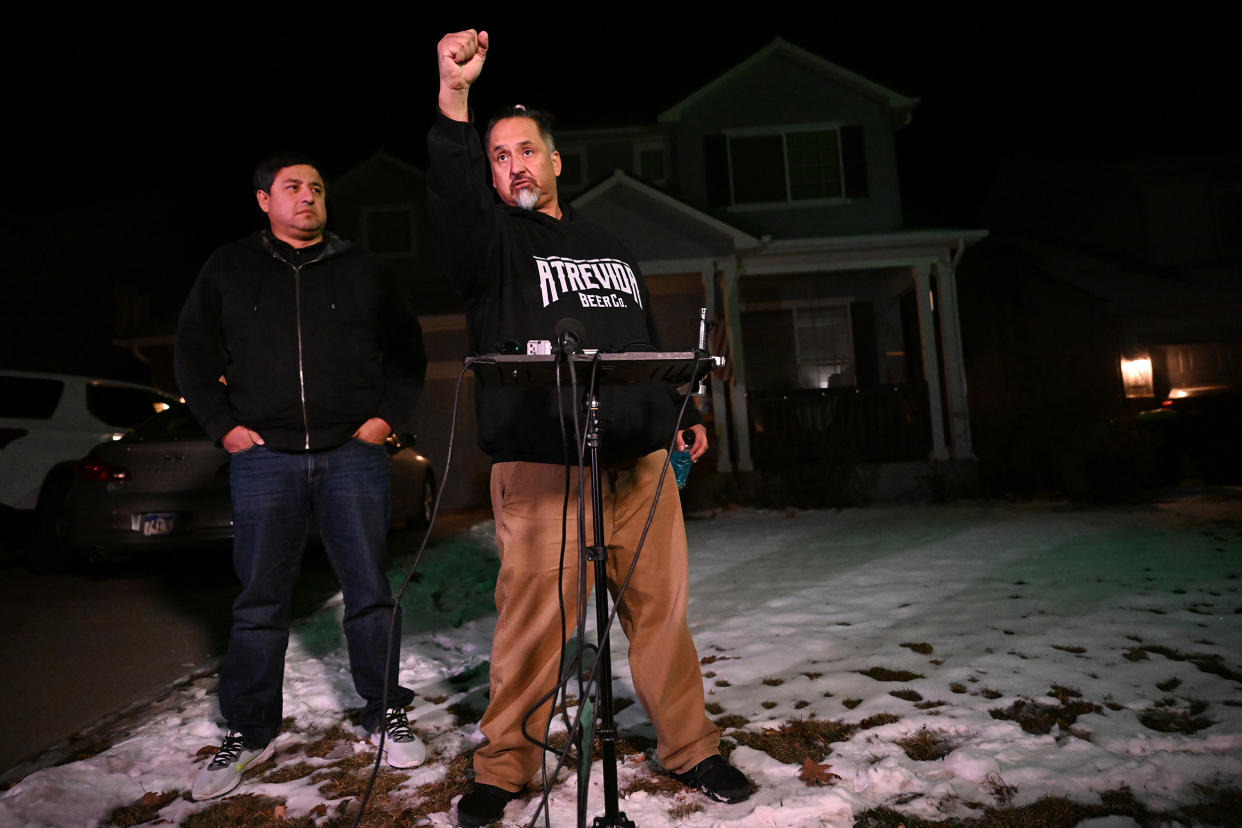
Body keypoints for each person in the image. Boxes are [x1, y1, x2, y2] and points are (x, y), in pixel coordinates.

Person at [428, 29, 750, 827]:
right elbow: (456, 199)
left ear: (557, 160)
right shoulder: (493, 245)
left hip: (637, 465)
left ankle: (691, 747)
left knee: (661, 619)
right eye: (499, 157)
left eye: (526, 151)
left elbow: (642, 344)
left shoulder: (609, 247)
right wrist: (454, 98)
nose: (513, 167)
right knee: (535, 629)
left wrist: (684, 413)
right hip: (544, 471)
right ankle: (504, 767)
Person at [175, 154, 428, 801]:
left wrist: (386, 422)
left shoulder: (362, 267)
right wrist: (221, 425)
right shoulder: (230, 268)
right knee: (260, 602)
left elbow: (407, 352)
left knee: (369, 591)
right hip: (265, 458)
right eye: (293, 187)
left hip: (352, 453)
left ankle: (384, 711)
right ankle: (249, 729)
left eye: (316, 187)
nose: (308, 197)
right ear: (263, 200)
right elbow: (193, 354)